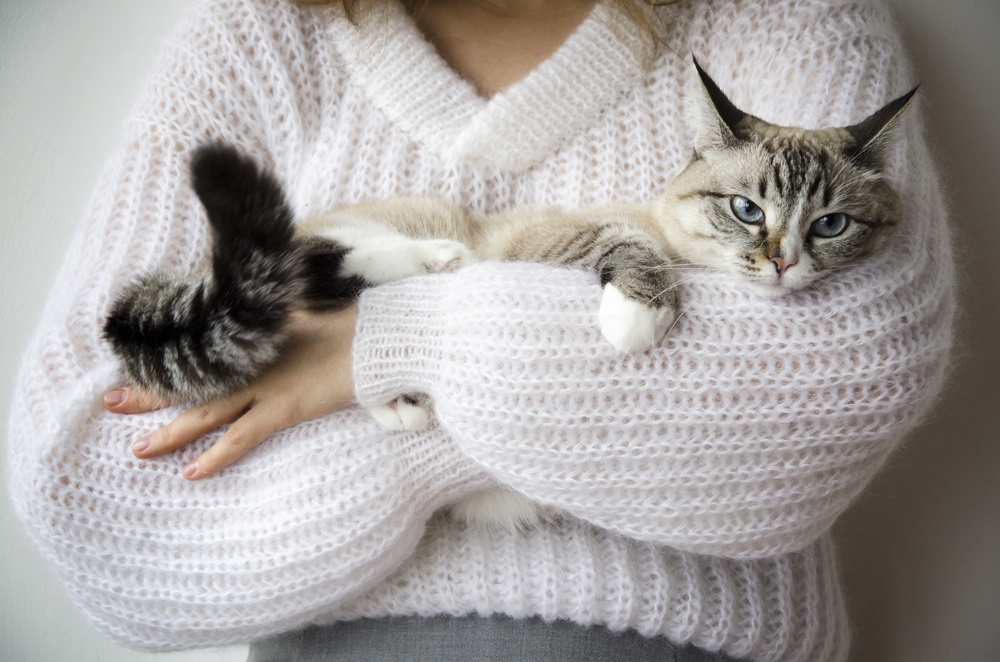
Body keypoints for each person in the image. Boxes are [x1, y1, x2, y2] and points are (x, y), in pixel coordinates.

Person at [6, 0, 954, 660]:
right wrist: (587, 401)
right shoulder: (258, 36)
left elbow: (844, 382)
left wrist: (389, 351)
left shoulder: (787, 17)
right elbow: (88, 486)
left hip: (689, 646)